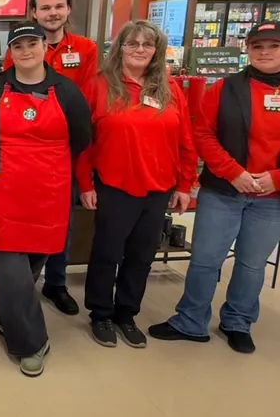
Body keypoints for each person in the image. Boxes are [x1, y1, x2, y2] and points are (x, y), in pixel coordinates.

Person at [149, 22, 280, 353]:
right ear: (247, 49)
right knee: (205, 258)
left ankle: (238, 321)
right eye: (257, 45)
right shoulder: (225, 89)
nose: (265, 52)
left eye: (273, 45)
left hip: (277, 198)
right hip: (225, 191)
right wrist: (232, 172)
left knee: (251, 264)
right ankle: (190, 320)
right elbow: (203, 133)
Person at [0, 23, 91, 375]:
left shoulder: (67, 92)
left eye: (31, 43)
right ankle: (31, 342)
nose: (25, 51)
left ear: (44, 47)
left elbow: (81, 138)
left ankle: (7, 313)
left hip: (47, 191)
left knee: (31, 262)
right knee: (9, 266)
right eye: (17, 45)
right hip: (0, 190)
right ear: (10, 52)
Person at [76, 20, 196, 349]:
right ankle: (100, 313)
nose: (140, 50)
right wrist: (85, 184)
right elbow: (83, 141)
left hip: (158, 188)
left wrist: (185, 184)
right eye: (132, 43)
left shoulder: (169, 91)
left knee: (143, 256)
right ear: (120, 48)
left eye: (147, 44)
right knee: (106, 253)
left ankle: (126, 314)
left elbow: (186, 140)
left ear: (156, 51)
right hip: (114, 185)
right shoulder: (98, 85)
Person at [2, 0, 98, 316]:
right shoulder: (18, 48)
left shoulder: (85, 49)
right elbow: (9, 96)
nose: (52, 13)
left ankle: (55, 284)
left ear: (68, 9)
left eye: (58, 6)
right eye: (45, 8)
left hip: (63, 147)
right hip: (23, 155)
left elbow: (86, 107)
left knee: (61, 223)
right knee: (24, 221)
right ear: (34, 12)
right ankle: (21, 286)